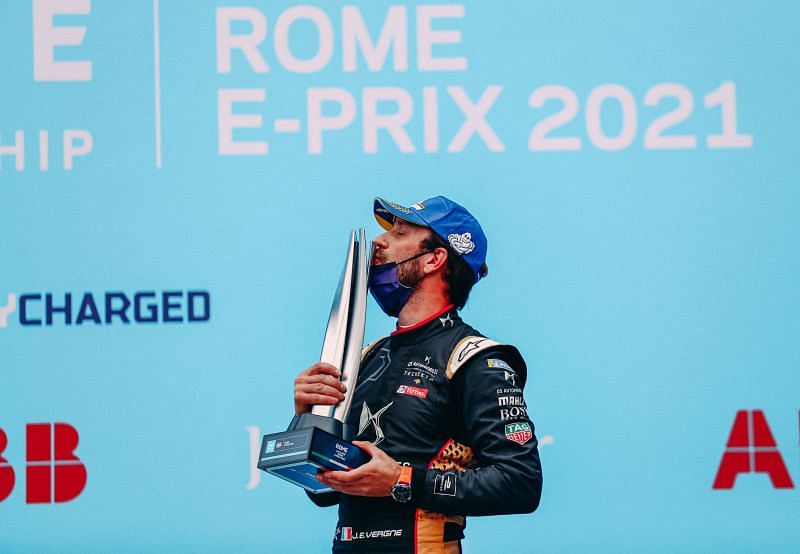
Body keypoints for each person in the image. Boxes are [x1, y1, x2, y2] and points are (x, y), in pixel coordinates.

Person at [293, 196, 542, 553]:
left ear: (433, 259)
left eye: (400, 232)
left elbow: (520, 483)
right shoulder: (366, 357)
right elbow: (323, 491)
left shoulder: (474, 358)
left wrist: (401, 480)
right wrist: (308, 418)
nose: (380, 242)